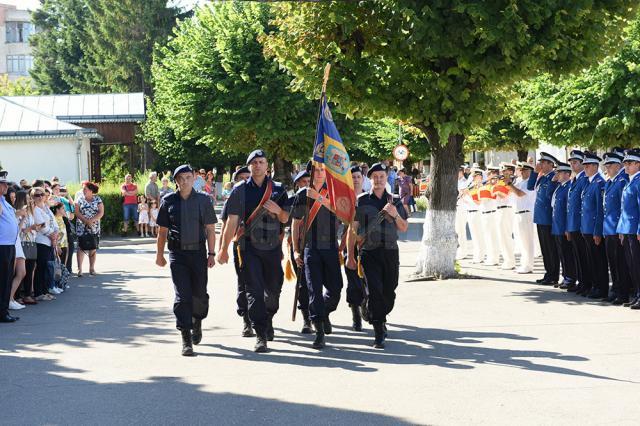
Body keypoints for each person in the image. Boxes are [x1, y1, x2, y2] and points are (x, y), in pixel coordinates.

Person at [217, 150, 289, 353]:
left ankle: (268, 318)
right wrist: (223, 249)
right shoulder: (240, 190)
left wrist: (278, 211)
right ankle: (260, 334)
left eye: (261, 162)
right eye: (254, 162)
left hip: (272, 247)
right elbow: (231, 220)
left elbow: (286, 218)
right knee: (254, 291)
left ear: (268, 166)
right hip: (249, 247)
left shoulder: (278, 189)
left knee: (273, 289)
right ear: (249, 166)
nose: (258, 165)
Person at [156, 164, 218, 356]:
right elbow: (162, 231)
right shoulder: (168, 201)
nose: (185, 181)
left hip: (198, 253)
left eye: (188, 177)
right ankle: (185, 338)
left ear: (194, 178)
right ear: (176, 181)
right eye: (181, 178)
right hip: (178, 255)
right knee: (182, 297)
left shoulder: (203, 200)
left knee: (199, 294)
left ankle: (197, 321)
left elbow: (209, 228)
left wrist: (212, 253)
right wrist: (159, 255)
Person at [347, 162, 408, 349]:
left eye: (382, 176)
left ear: (386, 178)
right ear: (370, 179)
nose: (379, 180)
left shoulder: (395, 199)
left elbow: (404, 228)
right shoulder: (362, 200)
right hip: (369, 252)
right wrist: (350, 255)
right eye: (375, 177)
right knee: (375, 290)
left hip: (390, 252)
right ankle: (378, 329)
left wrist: (395, 214)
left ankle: (376, 312)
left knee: (389, 291)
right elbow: (353, 229)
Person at [291, 163, 343, 349]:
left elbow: (343, 213)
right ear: (310, 173)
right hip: (310, 247)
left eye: (322, 170)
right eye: (316, 170)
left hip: (329, 246)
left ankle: (325, 312)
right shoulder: (302, 195)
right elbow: (295, 225)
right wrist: (296, 250)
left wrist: (320, 198)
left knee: (336, 287)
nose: (319, 173)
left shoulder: (334, 191)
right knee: (314, 290)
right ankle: (319, 330)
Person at [217, 166, 253, 337]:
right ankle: (247, 320)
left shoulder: (259, 195)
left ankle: (263, 317)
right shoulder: (233, 198)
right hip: (241, 245)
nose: (245, 179)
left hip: (262, 245)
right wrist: (221, 249)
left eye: (248, 176)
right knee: (244, 282)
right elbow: (225, 224)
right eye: (242, 177)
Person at [284, 166, 312, 334]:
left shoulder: (315, 198)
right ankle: (306, 318)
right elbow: (286, 222)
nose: (306, 184)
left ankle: (318, 313)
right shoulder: (292, 200)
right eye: (303, 182)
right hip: (298, 244)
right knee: (302, 283)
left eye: (309, 182)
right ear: (296, 185)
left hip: (316, 245)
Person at [577, 152, 608, 299]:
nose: (585, 168)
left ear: (596, 166)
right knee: (591, 260)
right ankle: (595, 286)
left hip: (593, 229)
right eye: (584, 165)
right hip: (586, 228)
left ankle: (601, 288)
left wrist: (597, 231)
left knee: (598, 261)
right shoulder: (589, 182)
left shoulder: (599, 183)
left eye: (588, 165)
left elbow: (599, 210)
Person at [602, 151, 631, 304]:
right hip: (608, 228)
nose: (607, 167)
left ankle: (623, 293)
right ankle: (615, 290)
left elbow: (622, 208)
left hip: (617, 229)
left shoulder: (621, 181)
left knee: (620, 264)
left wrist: (620, 229)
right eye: (606, 165)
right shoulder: (610, 182)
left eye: (610, 165)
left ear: (618, 166)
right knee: (612, 263)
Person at [528, 152, 559, 285]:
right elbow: (530, 186)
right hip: (540, 217)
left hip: (548, 218)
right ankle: (548, 273)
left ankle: (553, 275)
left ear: (550, 164)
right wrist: (534, 173)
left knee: (551, 248)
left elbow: (548, 196)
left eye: (543, 162)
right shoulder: (542, 177)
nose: (540, 164)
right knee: (544, 248)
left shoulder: (554, 177)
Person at [617, 148, 640, 309]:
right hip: (627, 229)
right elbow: (624, 208)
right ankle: (637, 294)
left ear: (638, 164)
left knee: (637, 265)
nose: (626, 165)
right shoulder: (630, 181)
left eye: (629, 163)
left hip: (635, 230)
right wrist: (621, 229)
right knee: (631, 265)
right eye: (625, 162)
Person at [344, 165, 366, 331]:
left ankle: (367, 307)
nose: (356, 179)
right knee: (353, 281)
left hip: (368, 246)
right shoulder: (343, 199)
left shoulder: (369, 197)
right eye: (353, 177)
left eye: (358, 176)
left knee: (369, 280)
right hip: (349, 243)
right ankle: (355, 315)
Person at [565, 150, 589, 293]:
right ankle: (581, 282)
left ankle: (586, 283)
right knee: (578, 256)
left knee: (584, 256)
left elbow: (582, 205)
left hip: (579, 224)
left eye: (575, 162)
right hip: (573, 223)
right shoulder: (574, 180)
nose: (572, 165)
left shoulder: (584, 179)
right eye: (571, 162)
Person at [550, 162, 577, 288]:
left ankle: (570, 278)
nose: (557, 175)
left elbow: (568, 209)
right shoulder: (560, 187)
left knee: (567, 254)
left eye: (560, 173)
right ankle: (565, 276)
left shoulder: (568, 188)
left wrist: (567, 228)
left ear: (567, 174)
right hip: (557, 226)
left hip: (563, 226)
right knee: (562, 254)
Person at [508, 162, 536, 274]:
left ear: (530, 171)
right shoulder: (519, 181)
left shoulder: (530, 183)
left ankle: (528, 265)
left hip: (526, 214)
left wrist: (510, 184)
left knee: (527, 241)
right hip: (518, 213)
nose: (522, 172)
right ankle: (523, 264)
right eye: (521, 170)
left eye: (524, 170)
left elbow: (519, 194)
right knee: (521, 241)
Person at [0, 171, 20, 322]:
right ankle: (2, 312)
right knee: (3, 279)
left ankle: (3, 311)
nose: (6, 186)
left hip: (9, 245)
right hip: (2, 246)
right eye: (3, 184)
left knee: (6, 279)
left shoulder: (4, 201)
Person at [32, 187, 57, 301]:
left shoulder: (46, 208)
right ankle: (38, 293)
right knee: (40, 267)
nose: (40, 197)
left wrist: (55, 234)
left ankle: (45, 290)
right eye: (37, 195)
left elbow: (54, 222)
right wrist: (52, 235)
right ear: (33, 197)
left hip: (49, 241)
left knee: (46, 267)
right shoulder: (35, 209)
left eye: (42, 194)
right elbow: (41, 225)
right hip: (41, 241)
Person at [75, 182, 103, 277]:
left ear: (91, 190)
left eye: (85, 189)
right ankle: (80, 269)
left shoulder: (98, 199)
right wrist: (86, 221)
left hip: (94, 227)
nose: (83, 191)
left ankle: (92, 268)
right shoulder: (80, 199)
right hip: (82, 226)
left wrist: (91, 220)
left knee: (93, 247)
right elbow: (77, 212)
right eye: (83, 189)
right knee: (81, 247)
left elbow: (101, 212)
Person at [493, 164, 516, 270]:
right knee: (502, 236)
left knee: (506, 236)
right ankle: (507, 260)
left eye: (505, 171)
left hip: (506, 209)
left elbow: (505, 194)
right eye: (502, 171)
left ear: (510, 171)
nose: (503, 173)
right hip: (500, 209)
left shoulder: (512, 181)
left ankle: (510, 261)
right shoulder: (501, 181)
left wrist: (496, 190)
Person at [464, 168, 485, 264]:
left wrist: (469, 194)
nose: (473, 178)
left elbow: (478, 202)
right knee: (474, 236)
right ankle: (477, 256)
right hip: (470, 212)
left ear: (479, 176)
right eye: (472, 176)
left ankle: (480, 256)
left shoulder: (480, 187)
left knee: (479, 236)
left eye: (475, 176)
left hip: (477, 212)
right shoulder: (472, 186)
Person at [480, 167, 500, 266]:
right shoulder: (485, 186)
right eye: (488, 174)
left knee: (493, 237)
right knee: (488, 237)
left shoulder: (496, 186)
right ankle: (490, 257)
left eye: (491, 174)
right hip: (485, 213)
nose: (488, 176)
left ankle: (494, 258)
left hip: (492, 213)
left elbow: (491, 196)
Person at [455, 166, 470, 260]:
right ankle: (460, 250)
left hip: (462, 208)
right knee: (457, 231)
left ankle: (463, 251)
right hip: (456, 208)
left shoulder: (465, 182)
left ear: (461, 172)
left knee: (461, 231)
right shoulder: (457, 182)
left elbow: (463, 195)